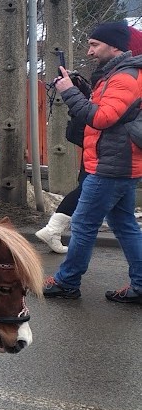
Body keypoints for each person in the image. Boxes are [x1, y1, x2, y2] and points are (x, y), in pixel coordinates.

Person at [44, 21, 142, 303]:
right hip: (121, 164)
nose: (89, 52)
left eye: (94, 45)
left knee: (84, 224)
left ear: (114, 46)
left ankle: (67, 282)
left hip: (111, 167)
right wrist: (82, 89)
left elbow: (101, 118)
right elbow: (108, 110)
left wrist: (68, 92)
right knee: (125, 225)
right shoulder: (118, 74)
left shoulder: (124, 77)